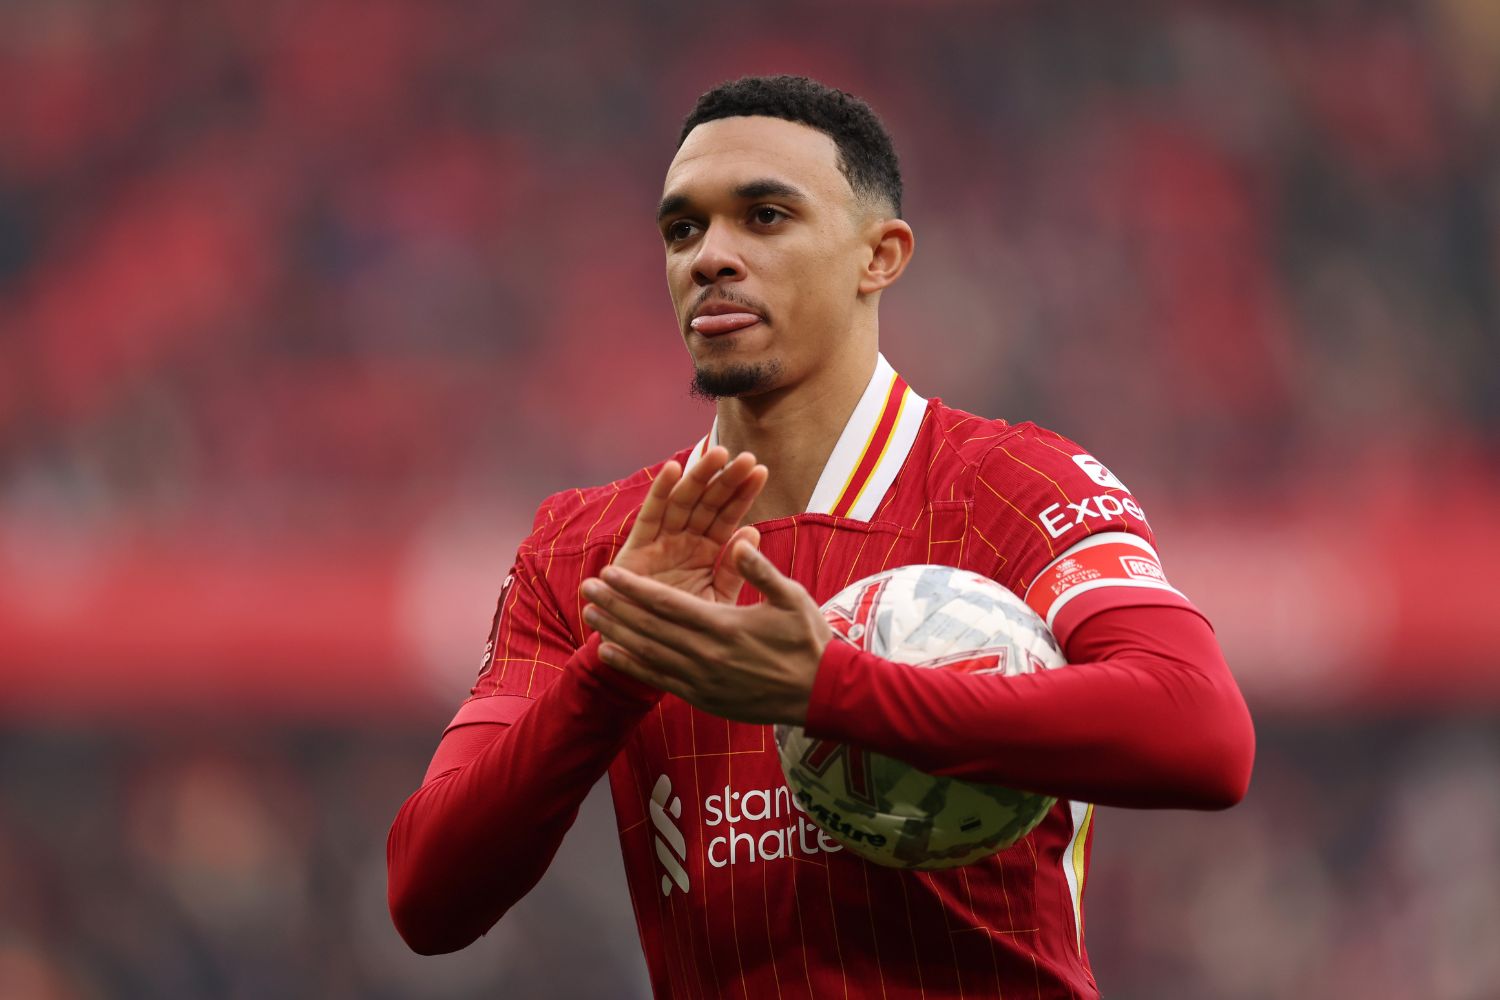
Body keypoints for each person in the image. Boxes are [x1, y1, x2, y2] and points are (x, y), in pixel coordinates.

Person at [387, 74, 1254, 998]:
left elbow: (1203, 733)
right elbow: (427, 897)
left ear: (879, 255)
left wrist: (833, 691)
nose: (710, 256)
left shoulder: (1011, 487)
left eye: (764, 217)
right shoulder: (590, 550)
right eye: (683, 229)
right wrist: (614, 668)